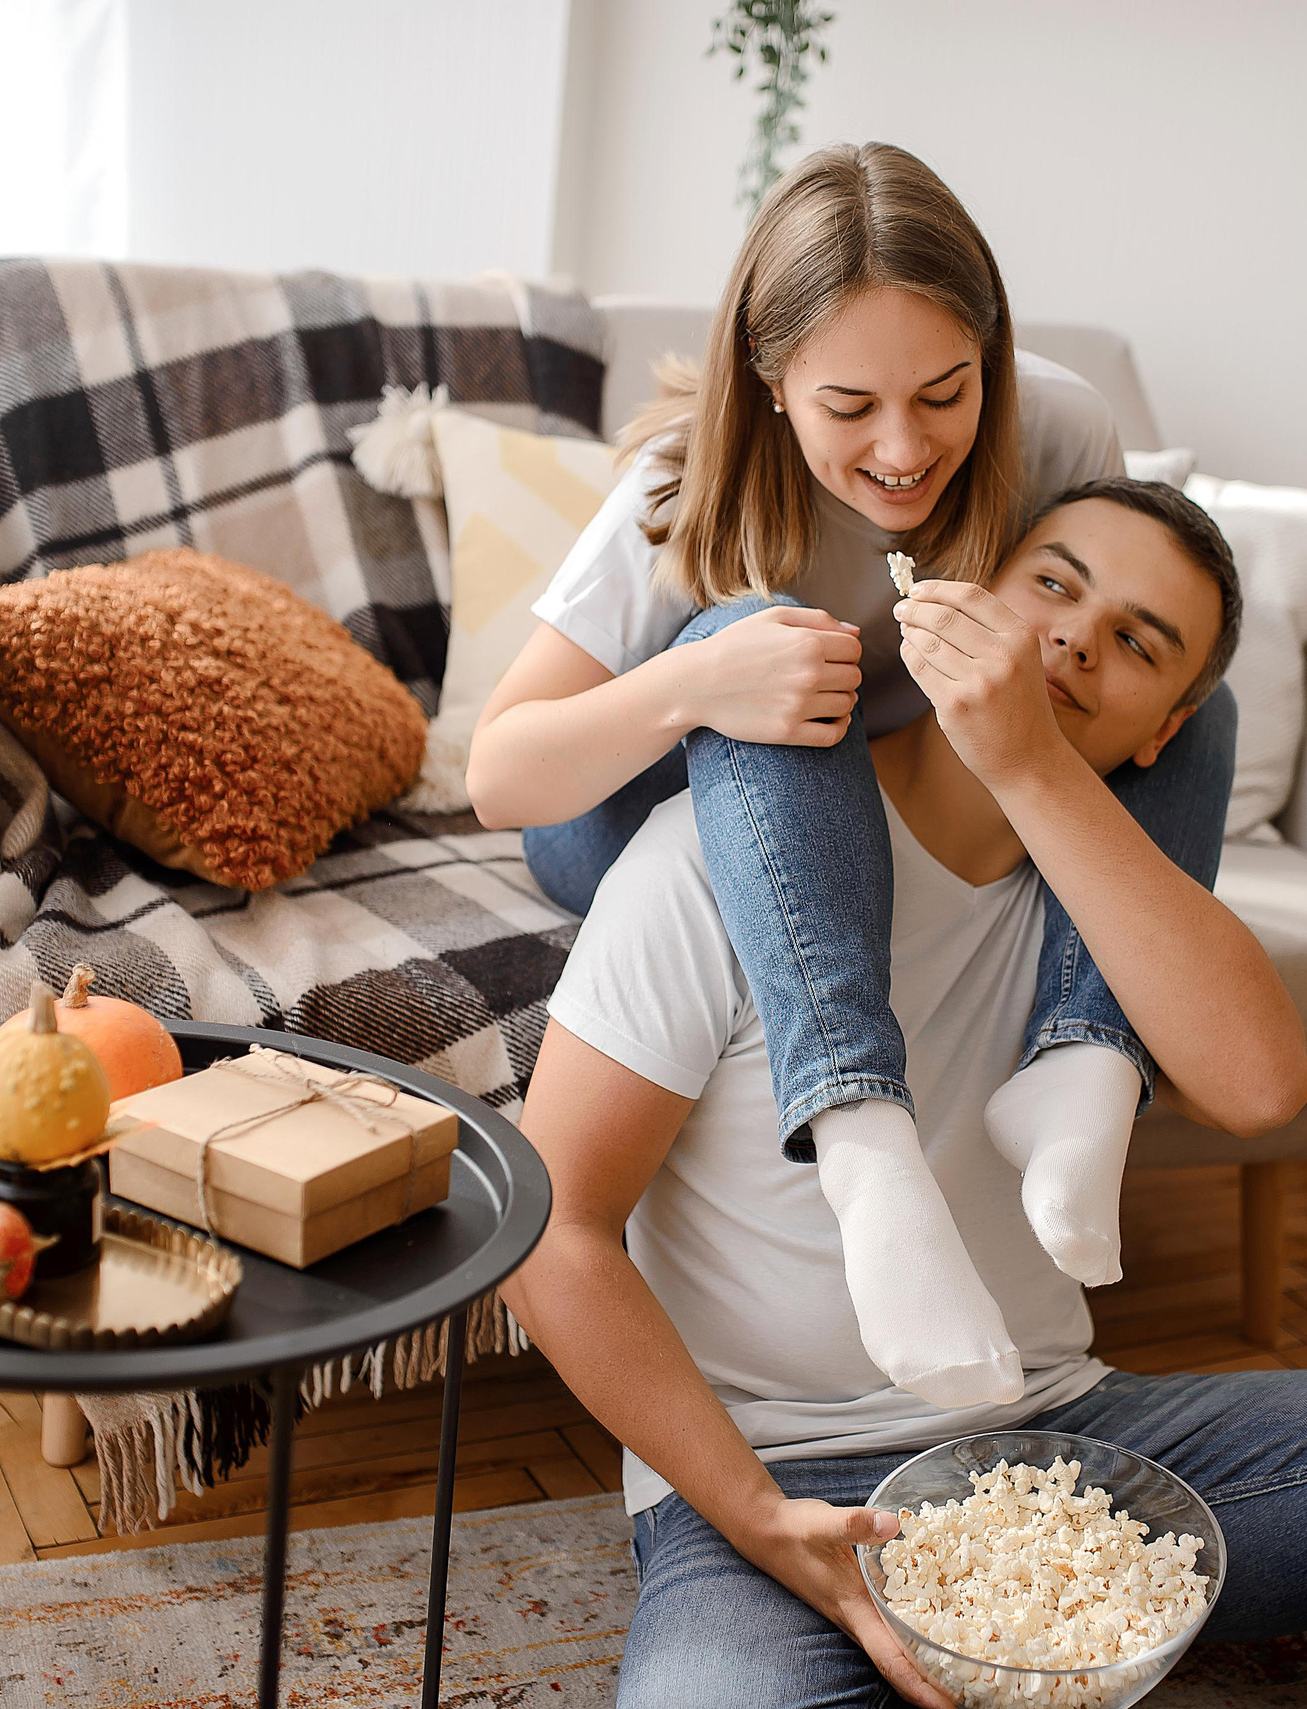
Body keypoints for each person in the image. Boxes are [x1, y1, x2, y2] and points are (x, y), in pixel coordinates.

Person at [497, 483, 1307, 1709]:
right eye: (1051, 585)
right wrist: (758, 1515)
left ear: (1167, 730)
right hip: (779, 1474)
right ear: (954, 596)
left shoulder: (1107, 909)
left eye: (1137, 642)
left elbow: (1261, 1085)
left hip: (1052, 1449)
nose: (1072, 640)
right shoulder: (713, 855)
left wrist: (1031, 764)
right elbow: (555, 1227)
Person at [472, 143, 1236, 1408]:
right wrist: (697, 686)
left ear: (991, 358)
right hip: (633, 801)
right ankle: (862, 1138)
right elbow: (503, 775)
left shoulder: (1056, 424)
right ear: (771, 379)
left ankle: (1088, 1062)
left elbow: (1113, 612)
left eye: (945, 392)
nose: (903, 449)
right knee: (746, 632)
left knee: (1178, 680)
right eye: (850, 409)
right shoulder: (679, 491)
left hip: (880, 778)